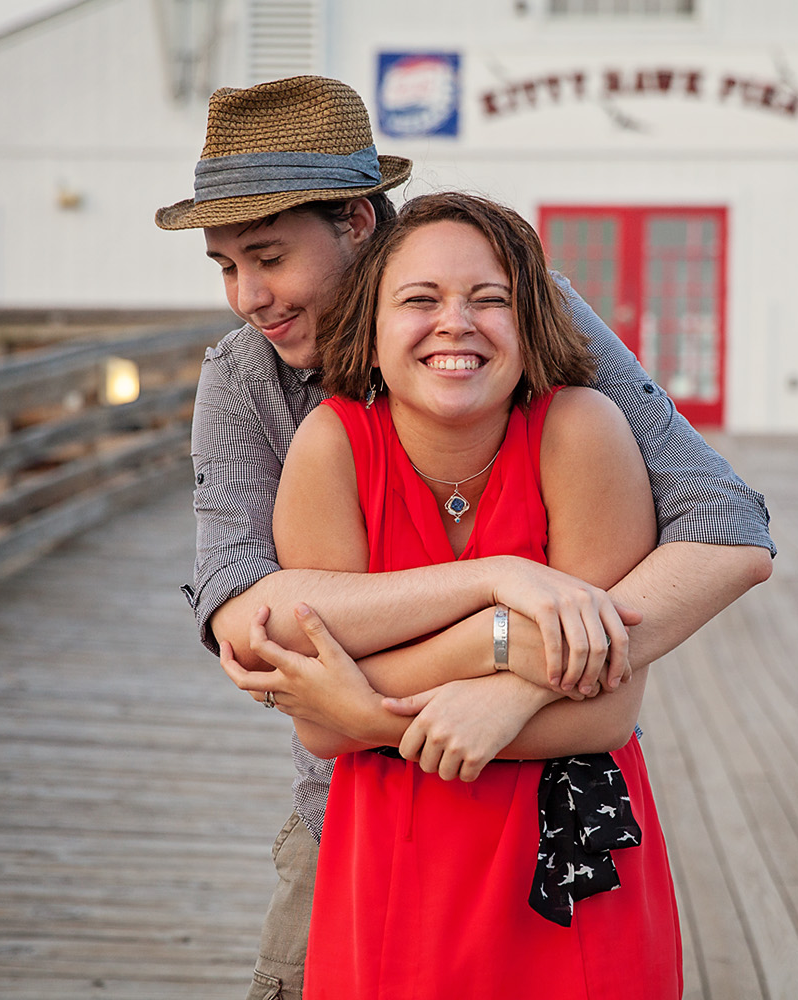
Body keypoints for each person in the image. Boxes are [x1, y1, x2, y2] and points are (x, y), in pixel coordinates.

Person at [155, 76, 774, 1000]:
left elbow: (726, 527)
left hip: (554, 809)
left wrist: (501, 685)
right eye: (226, 266)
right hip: (352, 820)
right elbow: (252, 619)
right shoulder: (250, 381)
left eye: (270, 256)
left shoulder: (524, 316)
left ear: (357, 223)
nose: (248, 295)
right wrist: (502, 588)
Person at [249, 190, 680, 998]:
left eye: (491, 300)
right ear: (371, 332)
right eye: (419, 300)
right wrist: (506, 646)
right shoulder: (332, 445)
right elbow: (312, 716)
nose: (456, 322)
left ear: (529, 327)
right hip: (389, 862)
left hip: (565, 859)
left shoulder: (579, 430)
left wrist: (374, 711)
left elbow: (605, 706)